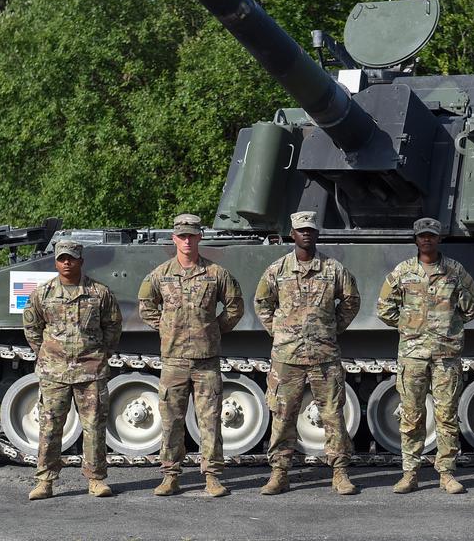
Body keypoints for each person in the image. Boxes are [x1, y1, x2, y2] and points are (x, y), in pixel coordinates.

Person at [254, 211, 361, 495]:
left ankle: (339, 472)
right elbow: (262, 303)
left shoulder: (334, 269)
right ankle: (280, 473)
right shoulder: (277, 270)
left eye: (311, 230)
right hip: (287, 358)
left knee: (333, 414)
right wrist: (279, 332)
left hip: (324, 356)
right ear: (293, 234)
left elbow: (351, 301)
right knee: (283, 415)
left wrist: (330, 329)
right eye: (301, 230)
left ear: (317, 234)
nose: (306, 234)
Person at [138, 213, 244, 497]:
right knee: (171, 419)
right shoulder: (160, 275)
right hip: (173, 360)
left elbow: (235, 306)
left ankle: (211, 475)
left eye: (192, 235)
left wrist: (213, 330)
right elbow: (146, 305)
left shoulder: (216, 274)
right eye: (182, 235)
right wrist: (165, 327)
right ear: (174, 238)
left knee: (210, 419)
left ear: (199, 238)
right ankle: (170, 475)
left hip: (206, 360)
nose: (187, 240)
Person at [376, 217, 474, 494]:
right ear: (416, 239)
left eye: (432, 236)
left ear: (438, 239)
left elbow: (473, 308)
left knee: (446, 415)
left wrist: (450, 325)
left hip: (446, 355)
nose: (427, 240)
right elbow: (384, 308)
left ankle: (446, 473)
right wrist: (410, 326)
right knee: (411, 415)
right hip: (413, 355)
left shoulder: (455, 271)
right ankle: (410, 473)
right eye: (422, 236)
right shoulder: (403, 272)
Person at [23, 239, 122, 500]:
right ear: (55, 261)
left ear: (81, 260)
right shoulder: (42, 294)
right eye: (62, 258)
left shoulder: (99, 293)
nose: (67, 262)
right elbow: (32, 330)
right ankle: (45, 480)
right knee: (50, 426)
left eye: (72, 258)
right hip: (54, 372)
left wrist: (100, 354)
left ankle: (96, 479)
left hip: (91, 371)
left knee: (94, 427)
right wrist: (47, 354)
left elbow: (113, 327)